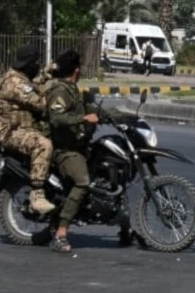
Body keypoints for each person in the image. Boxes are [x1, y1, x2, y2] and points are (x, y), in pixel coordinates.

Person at [45, 49, 134, 252]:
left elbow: (94, 110)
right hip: (65, 150)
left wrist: (122, 118)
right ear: (76, 70)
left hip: (82, 145)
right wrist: (83, 119)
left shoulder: (75, 91)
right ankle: (60, 234)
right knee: (82, 182)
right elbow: (56, 119)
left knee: (113, 174)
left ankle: (126, 230)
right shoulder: (60, 91)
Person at [0, 43, 56, 215]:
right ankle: (37, 194)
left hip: (22, 129)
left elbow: (32, 87)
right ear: (29, 64)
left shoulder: (19, 78)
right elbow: (40, 104)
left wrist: (46, 75)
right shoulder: (16, 83)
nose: (38, 66)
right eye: (36, 62)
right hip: (11, 134)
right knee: (43, 144)